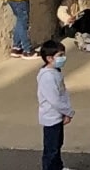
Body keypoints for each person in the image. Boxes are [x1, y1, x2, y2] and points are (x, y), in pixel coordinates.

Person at [35, 40, 74, 170]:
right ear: (49, 58)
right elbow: (55, 99)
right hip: (51, 117)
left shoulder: (55, 72)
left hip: (57, 116)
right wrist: (68, 112)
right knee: (51, 148)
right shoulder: (48, 77)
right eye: (60, 55)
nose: (63, 58)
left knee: (57, 144)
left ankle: (58, 167)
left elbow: (62, 93)